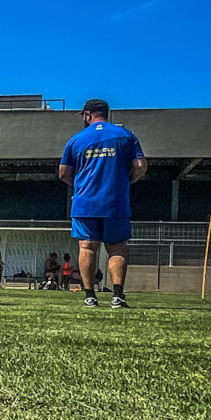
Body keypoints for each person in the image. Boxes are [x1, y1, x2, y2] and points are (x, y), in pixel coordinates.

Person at [59, 98, 148, 308]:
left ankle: (89, 296)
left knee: (87, 247)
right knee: (117, 249)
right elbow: (141, 166)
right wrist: (126, 181)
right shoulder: (126, 135)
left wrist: (80, 186)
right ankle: (117, 296)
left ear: (88, 115)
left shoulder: (77, 139)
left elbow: (63, 173)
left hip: (85, 203)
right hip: (115, 201)